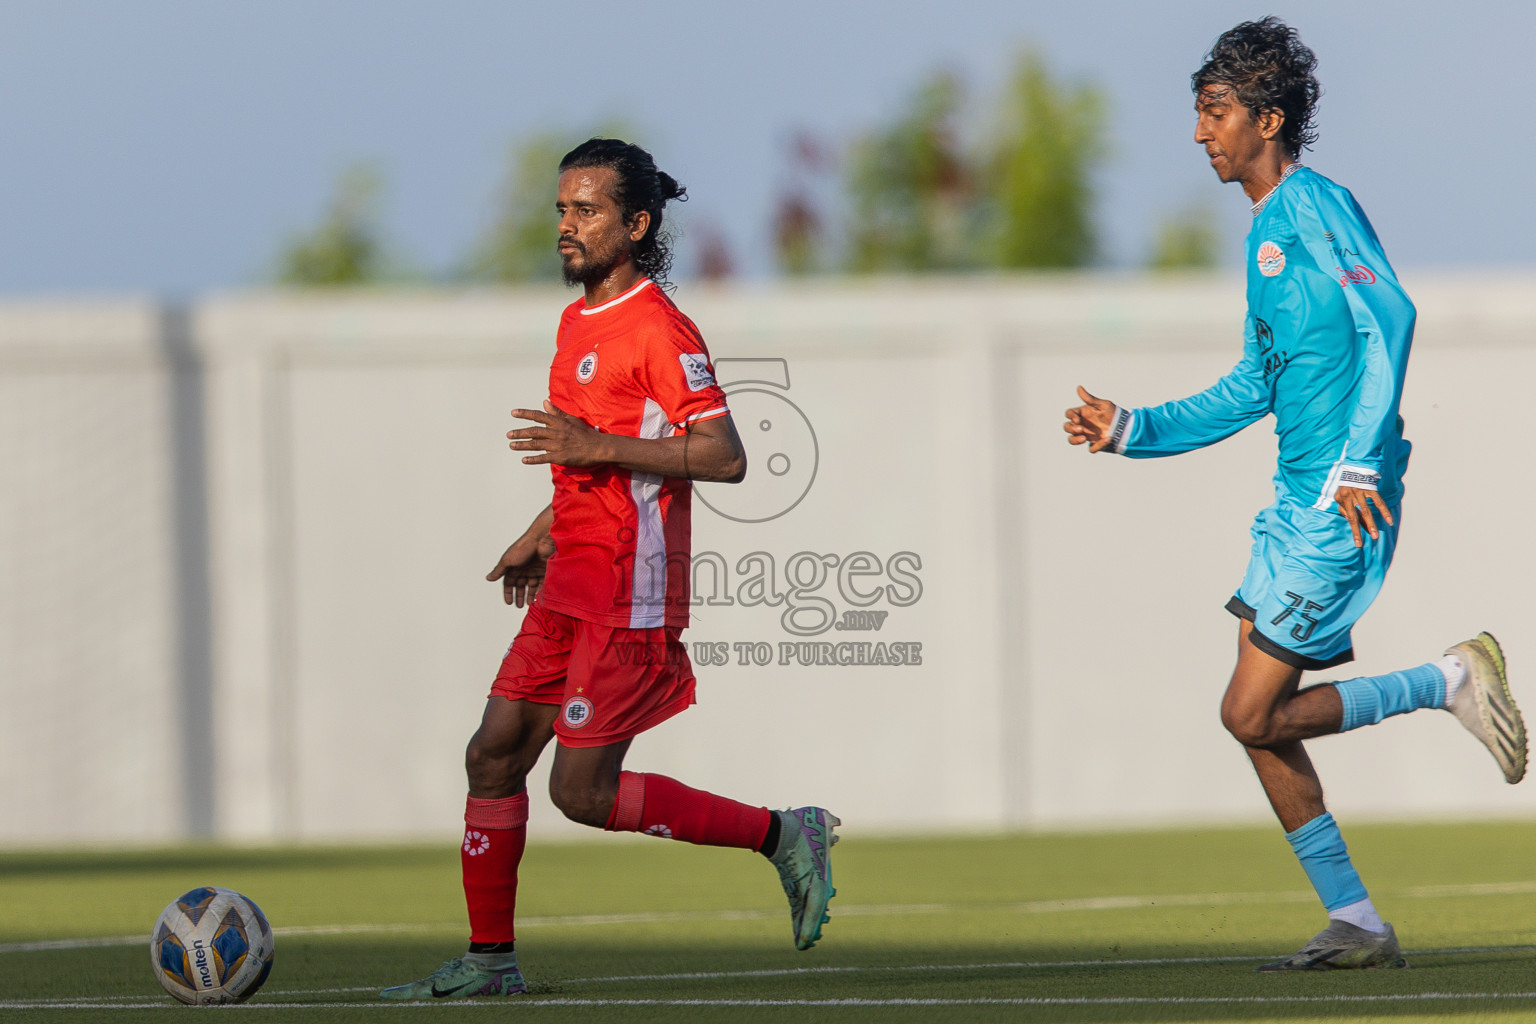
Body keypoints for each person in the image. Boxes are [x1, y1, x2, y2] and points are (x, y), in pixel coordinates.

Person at [1064, 18, 1525, 971]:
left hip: (1338, 500)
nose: (1201, 133)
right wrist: (1131, 429)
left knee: (1248, 712)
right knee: (1257, 727)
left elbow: (1391, 312)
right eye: (1200, 112)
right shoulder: (1266, 235)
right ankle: (1354, 921)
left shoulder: (1316, 204)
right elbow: (1254, 384)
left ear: (1267, 119)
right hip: (1291, 504)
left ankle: (1447, 680)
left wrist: (1360, 458)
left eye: (1216, 111)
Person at [382, 138, 838, 1001]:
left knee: (581, 795)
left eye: (586, 211)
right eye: (562, 209)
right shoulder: (573, 321)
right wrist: (541, 530)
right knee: (491, 755)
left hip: (631, 589)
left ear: (634, 223)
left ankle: (784, 834)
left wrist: (593, 446)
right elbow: (587, 461)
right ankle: (490, 964)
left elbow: (725, 455)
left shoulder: (662, 329)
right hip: (570, 583)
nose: (567, 225)